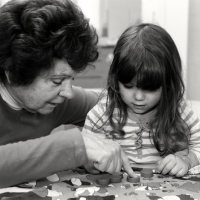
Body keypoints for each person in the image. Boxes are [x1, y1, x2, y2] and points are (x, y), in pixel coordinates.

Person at [0, 0, 136, 188]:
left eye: (71, 79)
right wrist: (74, 147)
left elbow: (120, 104)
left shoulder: (56, 100)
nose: (68, 93)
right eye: (57, 81)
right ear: (12, 70)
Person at [83, 23, 200, 177]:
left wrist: (188, 160)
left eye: (150, 88)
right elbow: (85, 154)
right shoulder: (101, 114)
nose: (138, 97)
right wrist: (92, 164)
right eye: (128, 86)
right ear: (116, 79)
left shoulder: (180, 111)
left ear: (167, 84)